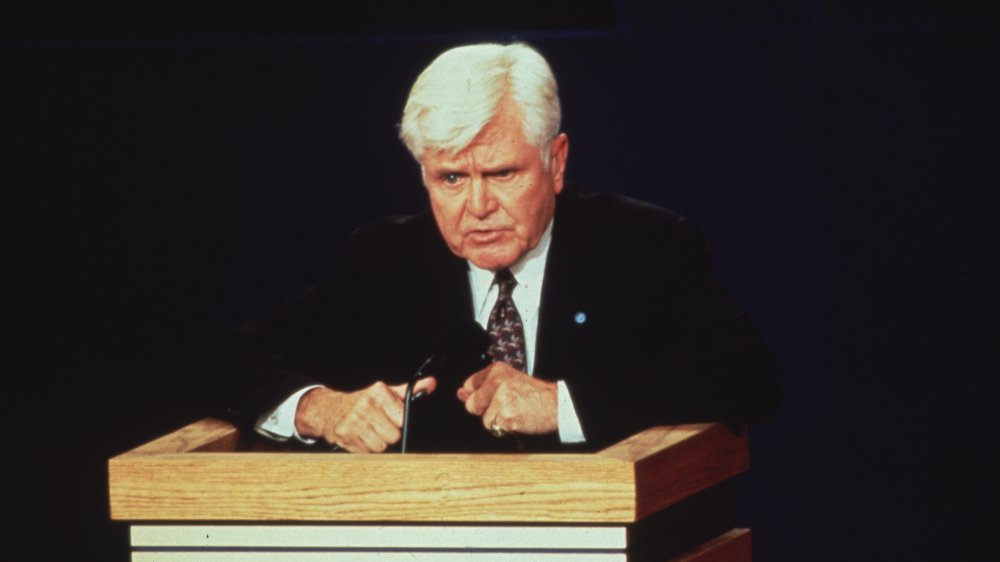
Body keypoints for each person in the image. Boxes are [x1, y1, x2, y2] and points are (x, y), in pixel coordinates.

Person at [223, 43, 779, 453]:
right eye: (451, 179)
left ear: (556, 162)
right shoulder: (382, 260)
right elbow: (228, 358)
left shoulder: (645, 246)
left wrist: (561, 404)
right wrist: (320, 409)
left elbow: (745, 374)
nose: (478, 206)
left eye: (502, 173)